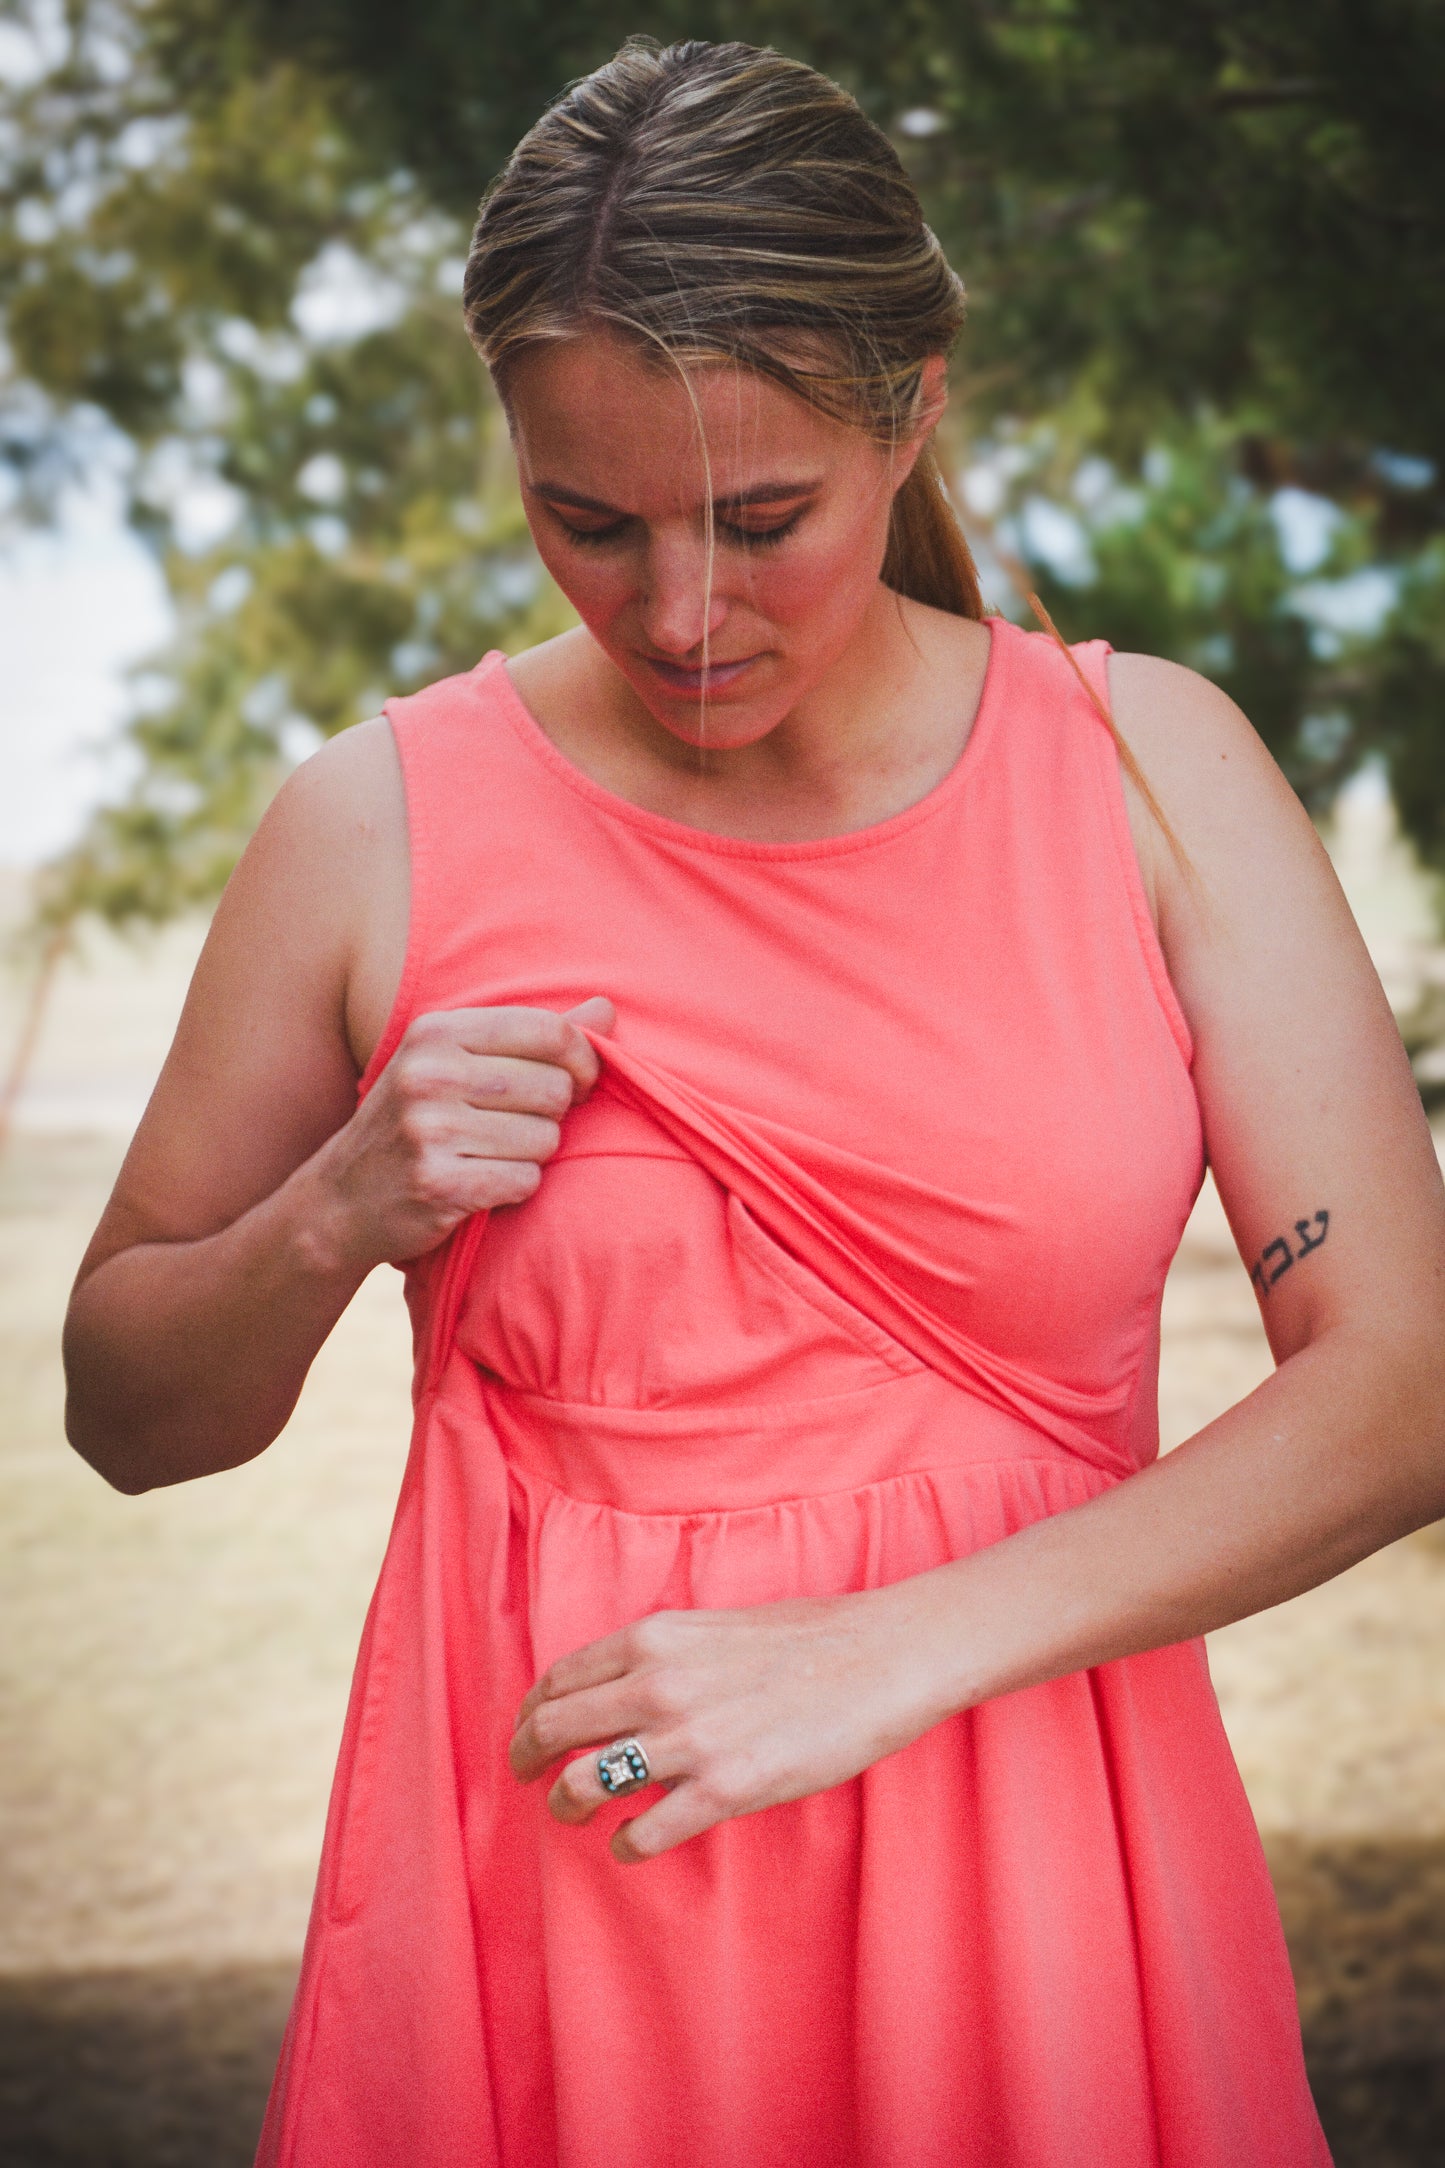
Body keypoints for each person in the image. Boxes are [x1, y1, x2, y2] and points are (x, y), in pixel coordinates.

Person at [62, 36, 1445, 2168]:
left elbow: (1406, 1387)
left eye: (762, 518)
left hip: (1042, 1883)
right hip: (563, 1920)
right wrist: (337, 1205)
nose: (677, 613)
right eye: (584, 522)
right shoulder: (374, 826)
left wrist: (881, 1656)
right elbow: (131, 1416)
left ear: (919, 402)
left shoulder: (1150, 773)